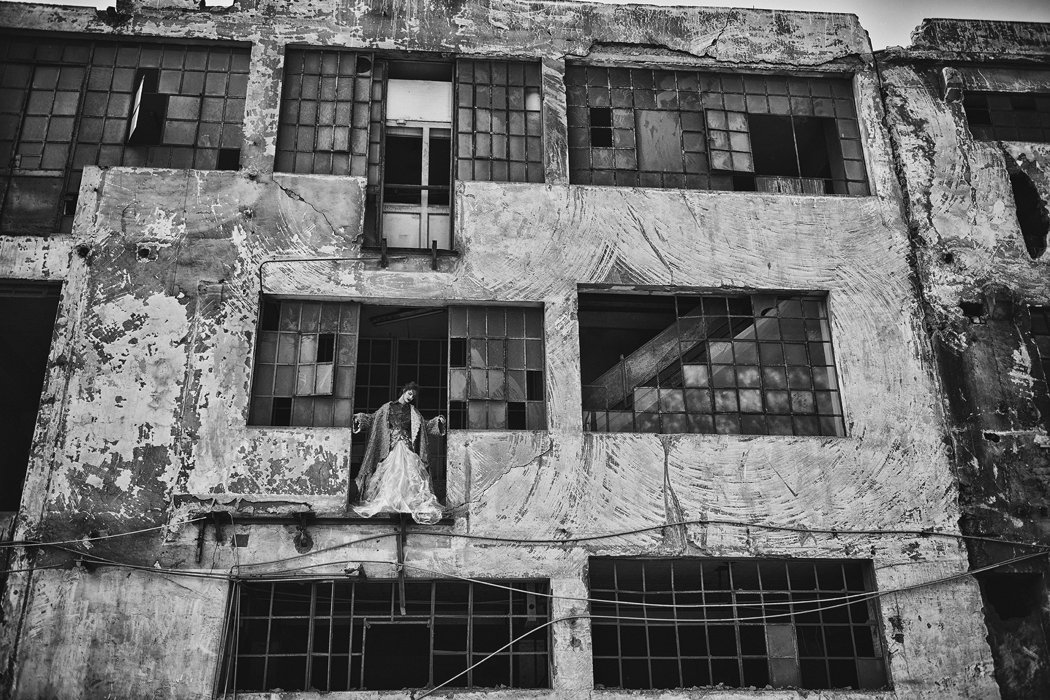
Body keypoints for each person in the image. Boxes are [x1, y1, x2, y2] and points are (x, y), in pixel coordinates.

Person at [351, 382, 446, 524]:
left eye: (413, 396)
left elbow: (424, 426)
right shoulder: (387, 408)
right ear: (404, 391)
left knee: (409, 474)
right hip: (391, 446)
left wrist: (437, 422)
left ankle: (407, 503)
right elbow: (374, 418)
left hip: (407, 446)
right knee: (391, 473)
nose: (411, 397)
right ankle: (391, 503)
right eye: (409, 393)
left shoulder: (413, 412)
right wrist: (361, 418)